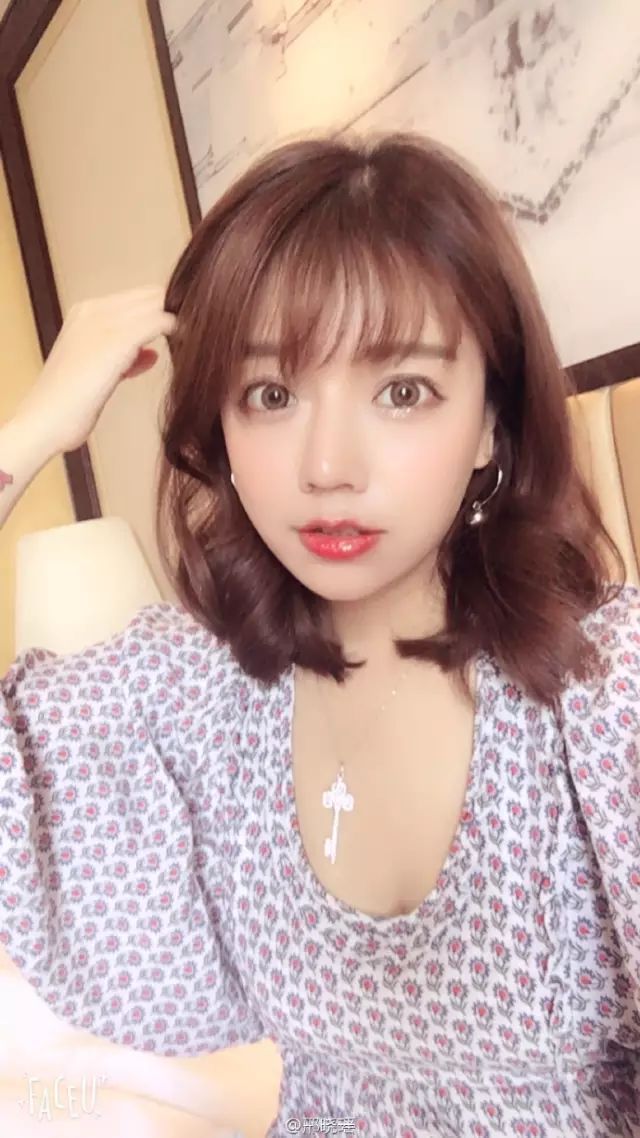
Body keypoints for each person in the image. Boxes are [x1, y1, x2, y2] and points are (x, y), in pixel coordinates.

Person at [1, 132, 639, 1138]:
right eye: (271, 394)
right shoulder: (194, 695)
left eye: (402, 391)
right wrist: (31, 430)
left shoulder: (607, 695)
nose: (328, 465)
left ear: (491, 421)